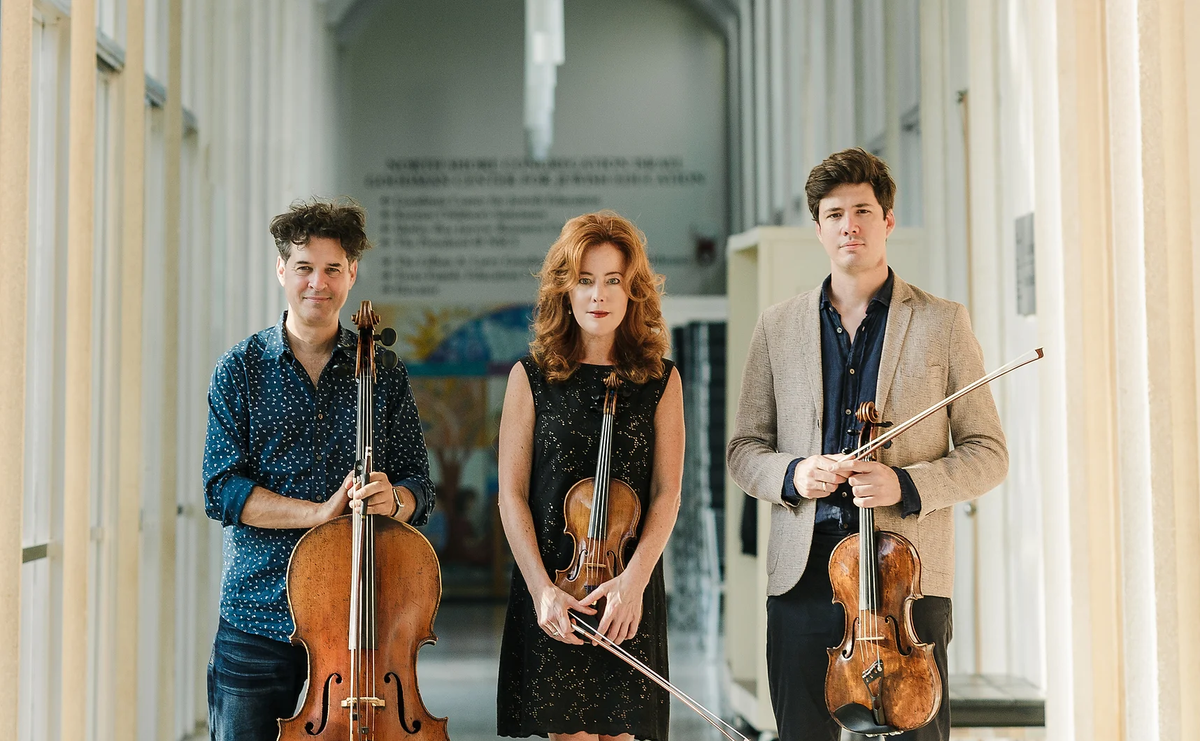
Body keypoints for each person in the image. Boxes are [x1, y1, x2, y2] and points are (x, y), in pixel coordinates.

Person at [726, 148, 1008, 741]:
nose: (848, 225)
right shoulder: (776, 327)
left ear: (887, 221)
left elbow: (988, 452)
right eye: (834, 214)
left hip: (906, 578)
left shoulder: (943, 322)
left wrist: (905, 483)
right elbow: (745, 450)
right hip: (804, 572)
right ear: (819, 227)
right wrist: (794, 474)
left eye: (862, 210)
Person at [203, 198, 434, 741]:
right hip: (257, 619)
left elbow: (419, 483)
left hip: (362, 627)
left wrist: (393, 500)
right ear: (281, 269)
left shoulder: (382, 370)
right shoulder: (240, 369)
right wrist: (320, 514)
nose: (318, 283)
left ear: (352, 273)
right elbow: (223, 490)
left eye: (333, 269)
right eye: (304, 267)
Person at [496, 211, 685, 741]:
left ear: (632, 293)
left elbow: (667, 492)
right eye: (584, 280)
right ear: (565, 289)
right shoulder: (529, 378)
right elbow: (511, 496)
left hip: (628, 589)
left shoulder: (661, 380)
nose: (597, 295)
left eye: (612, 281)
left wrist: (635, 581)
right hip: (556, 590)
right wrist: (541, 591)